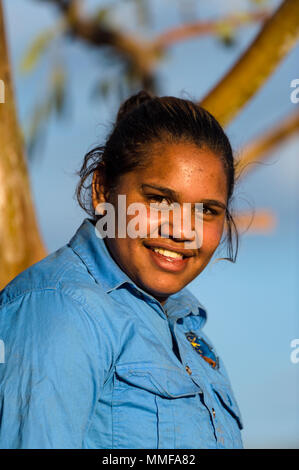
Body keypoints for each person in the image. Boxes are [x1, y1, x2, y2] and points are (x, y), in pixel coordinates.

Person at [0, 90, 243, 449]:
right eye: (159, 199)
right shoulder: (60, 309)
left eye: (207, 210)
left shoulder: (188, 329)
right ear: (103, 190)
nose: (182, 230)